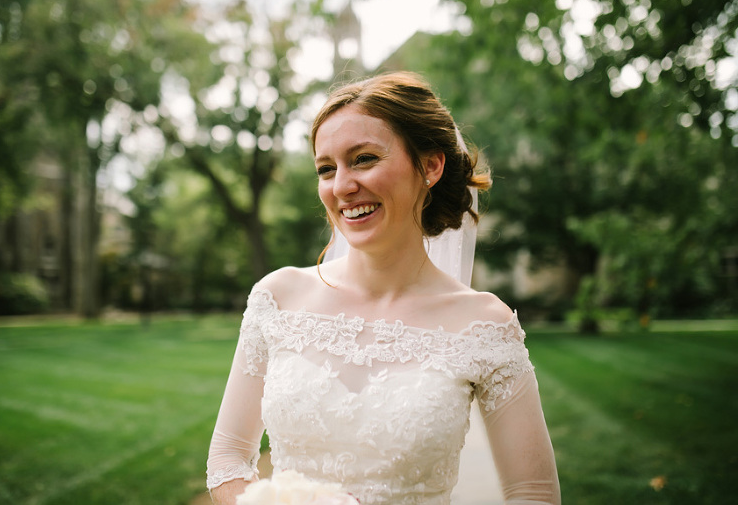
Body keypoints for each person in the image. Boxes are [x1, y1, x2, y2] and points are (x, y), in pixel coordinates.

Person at [206, 71, 560, 505]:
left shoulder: (485, 326)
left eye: (364, 158)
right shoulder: (278, 298)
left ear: (430, 165)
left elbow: (533, 493)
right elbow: (227, 459)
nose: (342, 186)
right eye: (326, 169)